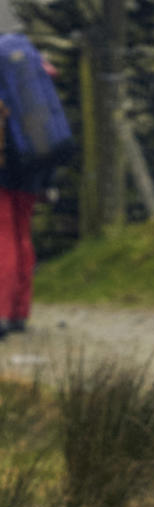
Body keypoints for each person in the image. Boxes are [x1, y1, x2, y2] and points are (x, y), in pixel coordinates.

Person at [0, 38, 70, 338]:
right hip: (32, 161)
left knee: (3, 237)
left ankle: (1, 312)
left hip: (3, 165)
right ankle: (18, 312)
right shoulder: (28, 65)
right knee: (21, 234)